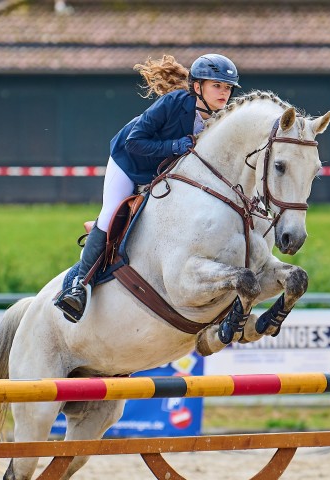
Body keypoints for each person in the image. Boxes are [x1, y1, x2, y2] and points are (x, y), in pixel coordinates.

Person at [55, 53, 241, 322]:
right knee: (110, 214)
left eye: (227, 87)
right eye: (217, 86)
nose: (224, 93)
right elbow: (135, 142)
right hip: (129, 161)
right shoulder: (173, 104)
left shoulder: (223, 118)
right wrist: (175, 146)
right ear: (198, 87)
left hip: (162, 171)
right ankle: (78, 285)